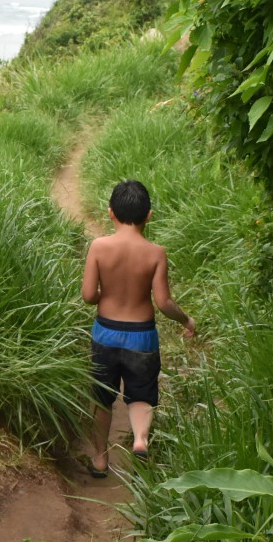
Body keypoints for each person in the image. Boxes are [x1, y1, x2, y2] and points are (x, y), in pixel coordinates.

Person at [80, 179, 195, 475]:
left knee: (102, 397)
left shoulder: (99, 247)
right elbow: (164, 302)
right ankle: (141, 439)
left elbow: (88, 296)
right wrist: (186, 319)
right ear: (148, 216)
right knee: (141, 395)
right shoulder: (156, 253)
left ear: (110, 213)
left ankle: (100, 459)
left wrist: (109, 294)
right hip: (141, 336)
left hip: (105, 332)